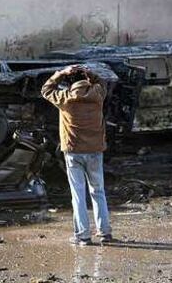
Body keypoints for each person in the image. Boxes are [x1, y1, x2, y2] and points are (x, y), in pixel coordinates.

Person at [41, 65, 112, 245]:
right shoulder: (97, 94)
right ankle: (104, 233)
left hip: (73, 152)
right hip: (95, 151)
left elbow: (46, 89)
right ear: (87, 80)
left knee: (78, 195)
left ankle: (83, 236)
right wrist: (90, 73)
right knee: (98, 192)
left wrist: (60, 73)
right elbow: (102, 82)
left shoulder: (64, 98)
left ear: (69, 84)